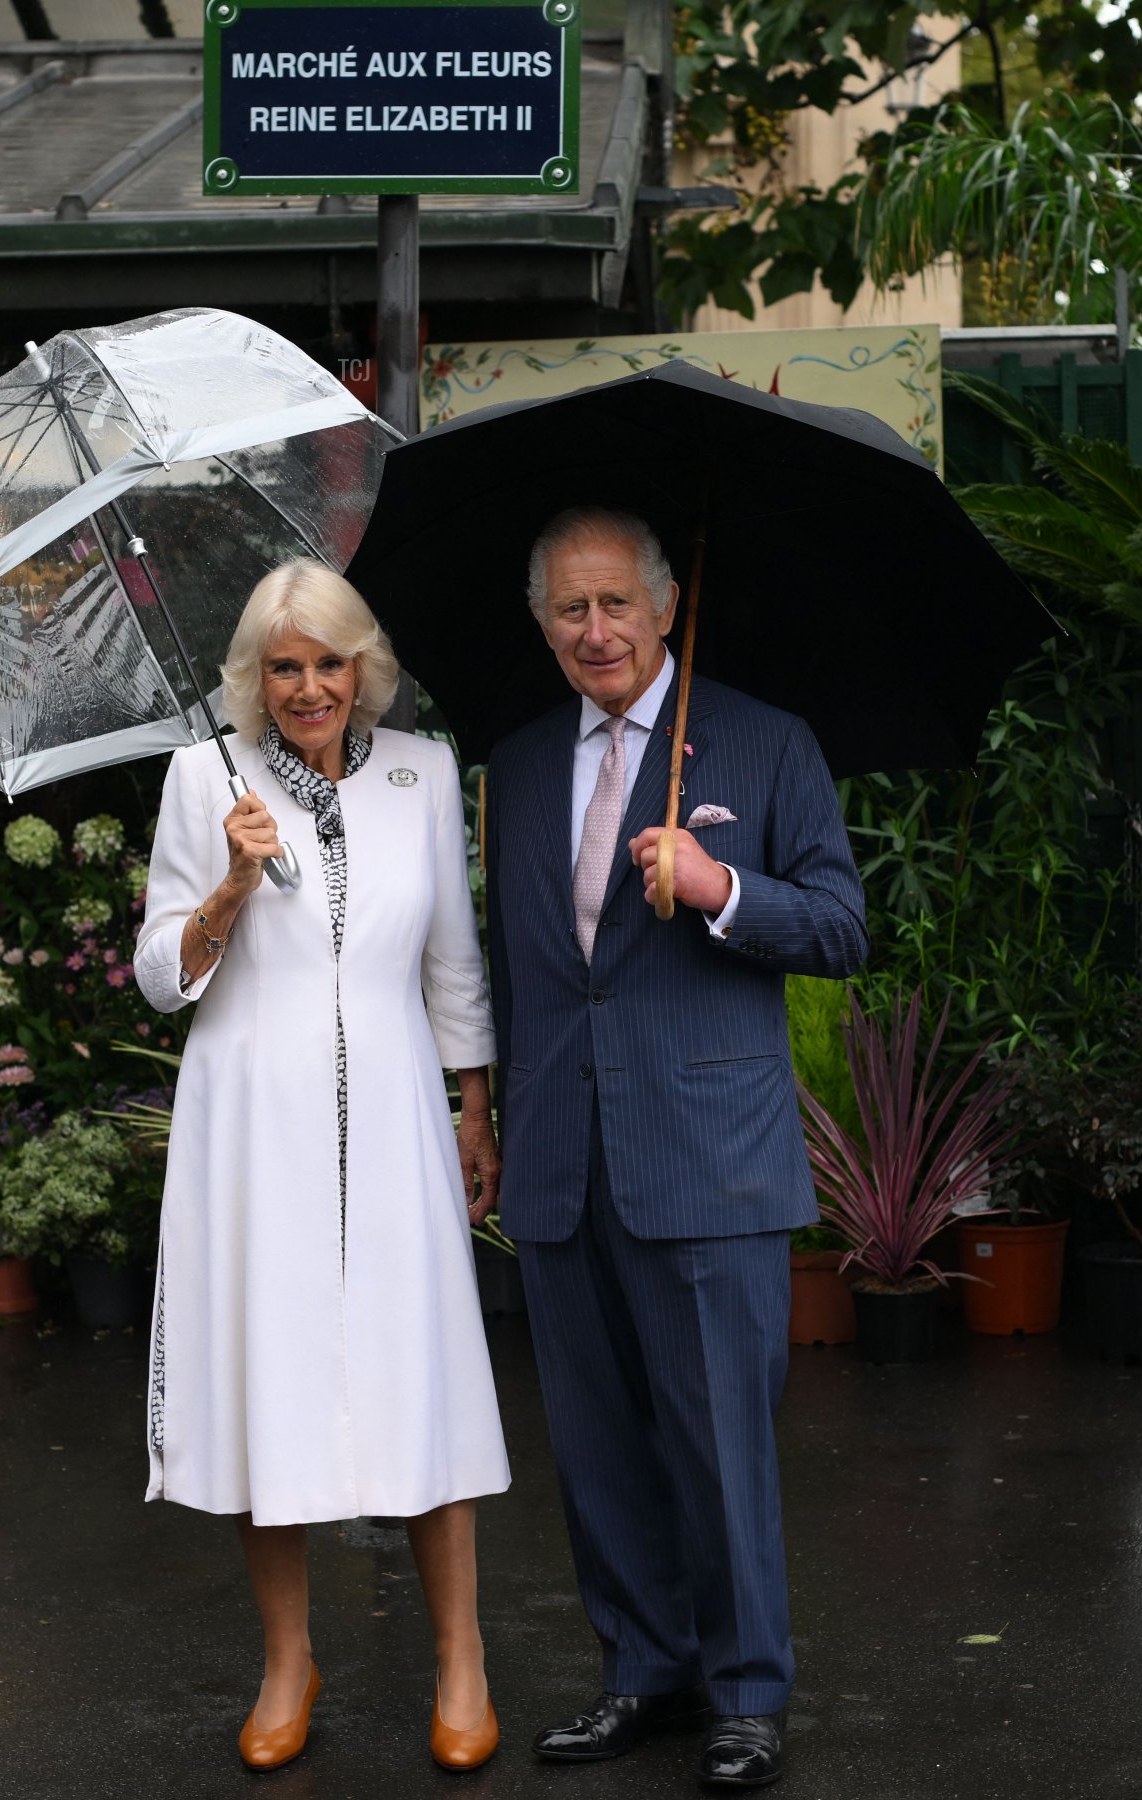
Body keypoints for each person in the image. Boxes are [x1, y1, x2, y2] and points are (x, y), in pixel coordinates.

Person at [485, 507, 868, 1791]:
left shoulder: (763, 743)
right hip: (560, 1155)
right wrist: (484, 1114)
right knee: (594, 1444)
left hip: (708, 1156)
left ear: (665, 610)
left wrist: (721, 891)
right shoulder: (521, 764)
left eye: (615, 605)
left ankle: (747, 1692)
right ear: (542, 624)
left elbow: (839, 924)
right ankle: (641, 1672)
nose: (595, 631)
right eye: (568, 610)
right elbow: (516, 968)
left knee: (719, 1442)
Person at [134, 559, 507, 1774]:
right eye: (283, 667)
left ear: (364, 671)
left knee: (423, 1370)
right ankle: (288, 1660)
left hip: (397, 1113)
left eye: (328, 663)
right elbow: (160, 974)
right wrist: (232, 885)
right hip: (254, 1118)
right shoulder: (207, 779)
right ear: (254, 676)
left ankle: (463, 1662)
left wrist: (473, 1104)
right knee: (272, 1376)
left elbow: (452, 958)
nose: (308, 687)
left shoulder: (423, 772)